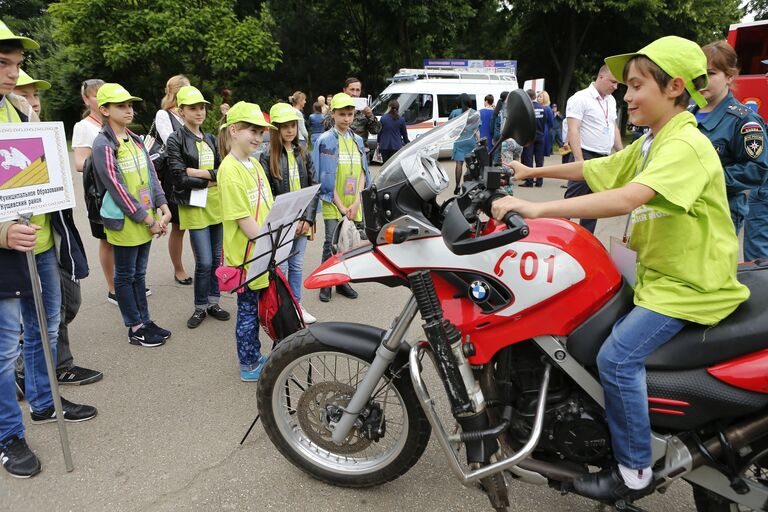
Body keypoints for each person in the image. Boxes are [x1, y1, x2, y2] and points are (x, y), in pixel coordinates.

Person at [493, 36, 750, 501]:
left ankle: (634, 471)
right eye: (625, 86)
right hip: (658, 276)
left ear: (674, 87)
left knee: (617, 358)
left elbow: (629, 196)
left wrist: (536, 210)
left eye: (635, 86)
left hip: (688, 287)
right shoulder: (655, 140)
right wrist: (532, 174)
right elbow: (602, 168)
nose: (626, 96)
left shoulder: (686, 145)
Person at [0, 21, 97, 479]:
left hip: (40, 239)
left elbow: (41, 175)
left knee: (47, 323)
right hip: (6, 250)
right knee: (3, 349)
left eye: (17, 65)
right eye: (4, 64)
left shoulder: (19, 111)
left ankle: (43, 403)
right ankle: (7, 434)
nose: (13, 75)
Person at [15, 73, 102, 388]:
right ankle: (39, 369)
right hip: (20, 248)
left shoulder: (42, 135)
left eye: (35, 95)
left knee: (68, 302)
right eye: (25, 95)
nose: (34, 102)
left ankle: (45, 363)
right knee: (42, 316)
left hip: (54, 237)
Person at [92, 83, 173, 348]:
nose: (129, 110)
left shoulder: (136, 139)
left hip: (146, 218)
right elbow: (116, 187)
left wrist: (163, 207)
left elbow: (151, 176)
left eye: (130, 105)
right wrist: (147, 219)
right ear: (104, 109)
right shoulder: (103, 144)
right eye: (121, 106)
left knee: (139, 274)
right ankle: (135, 327)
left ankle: (146, 320)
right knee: (125, 275)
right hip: (127, 222)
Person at [693, 41, 768, 259]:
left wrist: (706, 179)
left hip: (720, 213)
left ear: (730, 76)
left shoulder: (744, 120)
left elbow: (757, 169)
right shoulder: (687, 113)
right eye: (698, 74)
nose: (703, 81)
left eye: (711, 73)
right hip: (683, 209)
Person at [217, 102, 275, 381]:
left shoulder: (253, 163)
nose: (258, 137)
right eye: (252, 130)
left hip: (261, 250)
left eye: (261, 132)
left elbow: (269, 205)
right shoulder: (229, 170)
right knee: (248, 311)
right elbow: (243, 219)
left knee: (256, 307)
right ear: (234, 130)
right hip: (247, 256)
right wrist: (270, 242)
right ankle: (248, 363)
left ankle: (254, 354)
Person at [166, 86, 231, 329]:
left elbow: (222, 171)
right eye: (193, 108)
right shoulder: (176, 139)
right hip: (193, 206)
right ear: (181, 111)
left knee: (216, 258)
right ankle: (199, 306)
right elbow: (179, 178)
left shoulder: (211, 138)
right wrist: (212, 179)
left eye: (202, 107)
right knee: (203, 261)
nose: (199, 112)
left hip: (216, 205)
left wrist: (200, 173)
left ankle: (214, 302)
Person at [260, 103, 320, 324]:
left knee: (296, 264)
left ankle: (297, 305)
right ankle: (283, 309)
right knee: (282, 266)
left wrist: (308, 218)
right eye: (284, 126)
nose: (289, 130)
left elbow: (314, 187)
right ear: (275, 129)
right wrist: (285, 221)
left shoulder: (304, 153)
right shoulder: (267, 156)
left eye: (292, 125)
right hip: (282, 223)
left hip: (303, 221)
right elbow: (268, 194)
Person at [313, 93, 369, 303]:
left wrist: (356, 202)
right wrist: (339, 204)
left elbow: (363, 172)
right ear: (333, 114)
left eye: (350, 114)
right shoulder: (325, 140)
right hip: (332, 201)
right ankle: (325, 283)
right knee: (331, 242)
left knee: (348, 245)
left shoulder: (358, 140)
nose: (346, 118)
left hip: (353, 202)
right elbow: (323, 176)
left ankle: (342, 281)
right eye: (342, 114)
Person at [564, 65, 624, 233]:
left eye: (618, 84)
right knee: (572, 200)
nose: (615, 87)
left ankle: (586, 238)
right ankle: (559, 234)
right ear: (601, 77)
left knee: (595, 203)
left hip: (604, 158)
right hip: (585, 155)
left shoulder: (610, 101)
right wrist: (578, 160)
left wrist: (621, 153)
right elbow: (573, 129)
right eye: (613, 82)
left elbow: (613, 128)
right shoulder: (580, 98)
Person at [156, 74, 192, 286]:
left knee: (197, 224)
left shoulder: (190, 113)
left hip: (193, 172)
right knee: (178, 226)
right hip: (176, 174)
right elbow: (172, 145)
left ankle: (204, 266)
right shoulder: (164, 115)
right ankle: (178, 269)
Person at [322, 77, 382, 144]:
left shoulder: (364, 109)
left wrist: (370, 115)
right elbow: (326, 126)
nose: (355, 94)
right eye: (352, 90)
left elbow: (375, 131)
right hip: (339, 148)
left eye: (358, 90)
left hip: (360, 150)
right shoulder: (337, 105)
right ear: (344, 90)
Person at [449, 93, 476, 195]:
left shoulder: (455, 112)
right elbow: (477, 129)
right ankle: (469, 186)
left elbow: (450, 125)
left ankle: (457, 186)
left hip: (459, 141)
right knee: (470, 164)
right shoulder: (474, 112)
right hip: (471, 141)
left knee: (459, 164)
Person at [520, 90, 546, 188]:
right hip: (540, 136)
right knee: (539, 160)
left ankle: (529, 181)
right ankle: (539, 181)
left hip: (529, 137)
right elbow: (544, 123)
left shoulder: (526, 108)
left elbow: (523, 123)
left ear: (527, 96)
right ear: (535, 96)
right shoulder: (542, 108)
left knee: (528, 159)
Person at [491, 91, 509, 166]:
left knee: (497, 154)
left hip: (496, 134)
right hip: (504, 135)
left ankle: (495, 172)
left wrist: (492, 133)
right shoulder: (507, 108)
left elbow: (492, 121)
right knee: (504, 155)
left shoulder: (497, 108)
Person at [537, 90, 556, 156]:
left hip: (544, 130)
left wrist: (547, 128)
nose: (538, 98)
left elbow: (551, 122)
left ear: (545, 98)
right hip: (537, 129)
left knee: (541, 152)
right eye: (538, 96)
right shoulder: (537, 107)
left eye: (540, 97)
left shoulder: (548, 109)